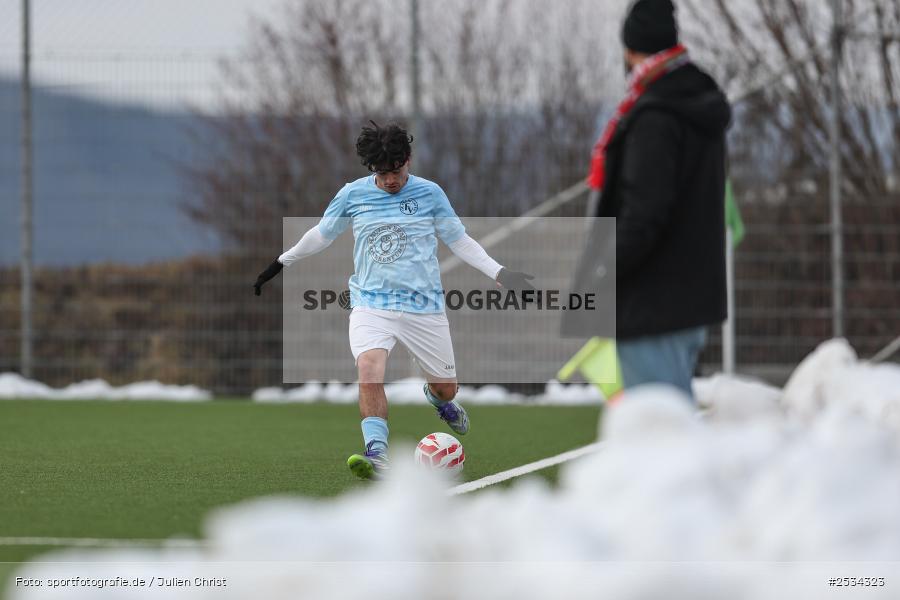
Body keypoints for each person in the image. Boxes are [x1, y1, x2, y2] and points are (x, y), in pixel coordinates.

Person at [254, 121, 533, 479]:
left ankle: (439, 399)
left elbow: (459, 240)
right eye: (382, 173)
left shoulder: (430, 194)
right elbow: (321, 234)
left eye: (396, 171)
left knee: (446, 389)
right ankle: (377, 454)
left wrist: (500, 272)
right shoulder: (352, 195)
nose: (389, 180)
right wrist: (281, 262)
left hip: (424, 307)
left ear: (408, 160)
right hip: (371, 304)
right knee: (369, 369)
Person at [566, 0, 731, 400]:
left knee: (657, 425)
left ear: (630, 50)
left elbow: (643, 216)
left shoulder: (654, 117)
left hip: (652, 304)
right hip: (688, 298)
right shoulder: (696, 102)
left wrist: (601, 272)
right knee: (675, 417)